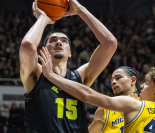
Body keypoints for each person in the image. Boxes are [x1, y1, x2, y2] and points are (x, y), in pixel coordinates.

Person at [38, 48, 155, 133]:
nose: (142, 86)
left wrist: (51, 76)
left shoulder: (135, 105)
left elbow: (87, 94)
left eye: (146, 84)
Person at [19, 0, 117, 132]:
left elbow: (110, 44)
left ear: (70, 53)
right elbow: (27, 47)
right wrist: (43, 18)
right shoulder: (36, 73)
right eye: (52, 40)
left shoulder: (80, 76)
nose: (58, 42)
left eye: (64, 41)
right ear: (44, 48)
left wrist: (80, 10)